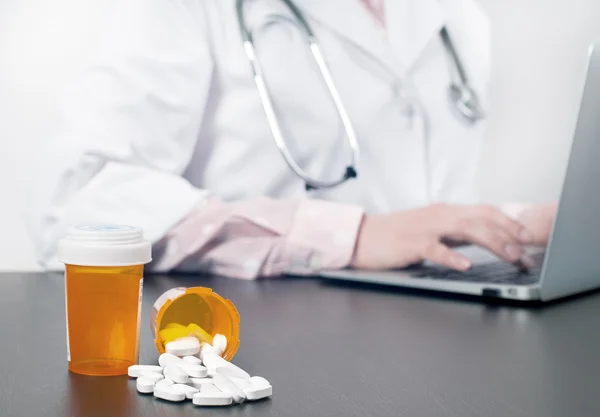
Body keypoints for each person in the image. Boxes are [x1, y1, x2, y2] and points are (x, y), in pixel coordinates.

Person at [26, 0, 556, 278]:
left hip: (428, 337)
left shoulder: (455, 14)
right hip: (257, 346)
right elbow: (75, 204)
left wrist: (515, 226)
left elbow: (414, 211)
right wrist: (346, 236)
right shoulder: (182, 6)